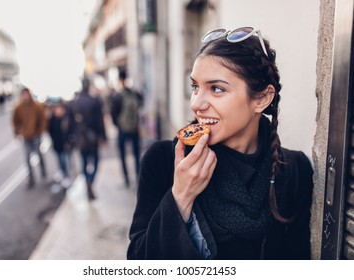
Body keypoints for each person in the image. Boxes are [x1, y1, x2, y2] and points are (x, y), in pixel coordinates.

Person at [127, 27, 314, 260]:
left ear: (262, 99)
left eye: (216, 89)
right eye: (195, 87)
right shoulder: (164, 162)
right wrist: (180, 197)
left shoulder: (293, 170)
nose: (197, 104)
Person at [73, 77, 107, 200]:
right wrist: (103, 137)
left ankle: (88, 180)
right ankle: (90, 181)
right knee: (96, 161)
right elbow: (100, 120)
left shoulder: (76, 101)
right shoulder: (94, 101)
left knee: (84, 162)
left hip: (80, 139)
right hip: (93, 137)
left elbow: (72, 123)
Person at [111, 70, 143, 187]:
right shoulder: (134, 93)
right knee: (136, 153)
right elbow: (141, 101)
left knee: (123, 154)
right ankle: (138, 175)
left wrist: (118, 125)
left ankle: (126, 179)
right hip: (134, 128)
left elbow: (113, 113)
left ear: (120, 80)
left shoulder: (118, 96)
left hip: (122, 130)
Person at [12, 87, 47, 188]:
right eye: (23, 95)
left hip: (35, 135)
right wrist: (17, 132)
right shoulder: (18, 108)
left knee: (39, 154)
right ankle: (31, 178)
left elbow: (42, 119)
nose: (25, 97)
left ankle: (43, 170)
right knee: (27, 158)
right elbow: (15, 121)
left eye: (26, 94)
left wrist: (41, 131)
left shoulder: (36, 106)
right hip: (26, 136)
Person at [48, 100, 74, 187]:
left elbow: (70, 131)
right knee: (59, 159)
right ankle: (62, 172)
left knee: (65, 160)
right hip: (57, 143)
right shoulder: (53, 119)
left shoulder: (66, 119)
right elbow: (50, 131)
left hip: (65, 144)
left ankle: (67, 175)